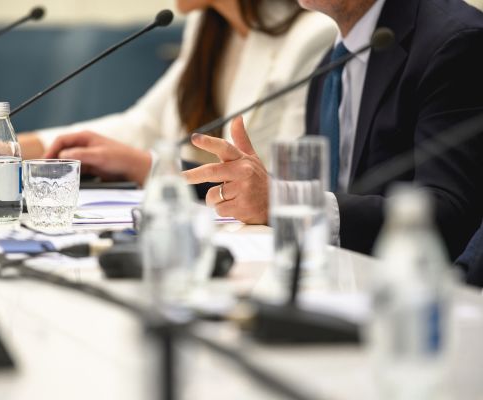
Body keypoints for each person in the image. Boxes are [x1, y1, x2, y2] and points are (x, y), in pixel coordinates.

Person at [183, 0, 483, 260]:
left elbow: (449, 215)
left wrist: (284, 200)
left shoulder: (454, 41)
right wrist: (245, 185)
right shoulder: (331, 63)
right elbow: (319, 191)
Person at [0, 0, 336, 182]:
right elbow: (144, 123)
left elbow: (281, 181)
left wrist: (146, 167)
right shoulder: (208, 27)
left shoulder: (310, 38)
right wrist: (13, 145)